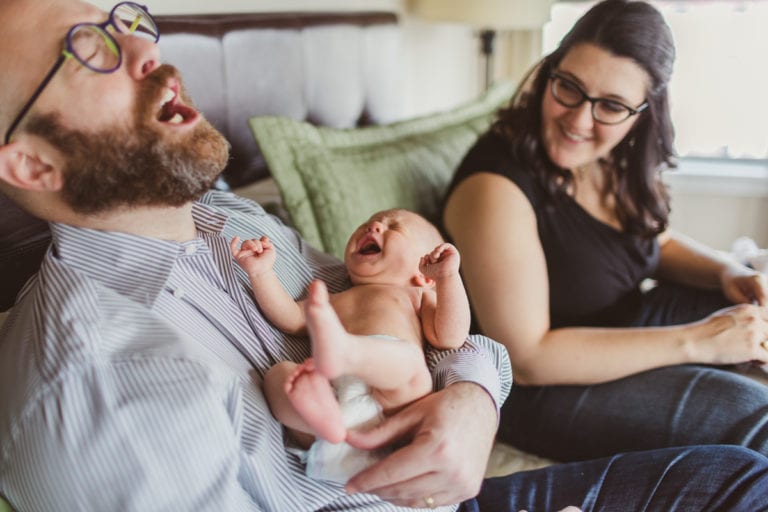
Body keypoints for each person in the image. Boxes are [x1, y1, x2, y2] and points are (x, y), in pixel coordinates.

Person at [1, 0, 768, 510]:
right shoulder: (99, 393)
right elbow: (513, 354)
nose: (148, 47)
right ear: (32, 165)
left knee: (737, 476)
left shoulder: (221, 213)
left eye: (127, 16)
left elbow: (425, 327)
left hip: (442, 479)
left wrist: (468, 402)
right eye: (90, 50)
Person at [442, 0, 768, 464]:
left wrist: (725, 271)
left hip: (622, 325)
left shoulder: (612, 158)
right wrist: (700, 340)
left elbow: (655, 243)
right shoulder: (493, 187)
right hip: (536, 388)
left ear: (643, 112)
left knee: (754, 309)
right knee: (753, 416)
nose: (578, 120)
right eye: (568, 88)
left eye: (611, 105)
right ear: (549, 72)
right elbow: (527, 356)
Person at [230, 209, 470, 482]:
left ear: (423, 273)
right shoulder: (335, 299)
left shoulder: (417, 295)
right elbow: (290, 317)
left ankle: (345, 352)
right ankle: (322, 421)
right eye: (367, 223)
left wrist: (448, 278)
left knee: (411, 364)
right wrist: (261, 274)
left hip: (392, 402)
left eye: (394, 226)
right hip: (336, 402)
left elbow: (450, 336)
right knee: (278, 375)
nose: (375, 226)